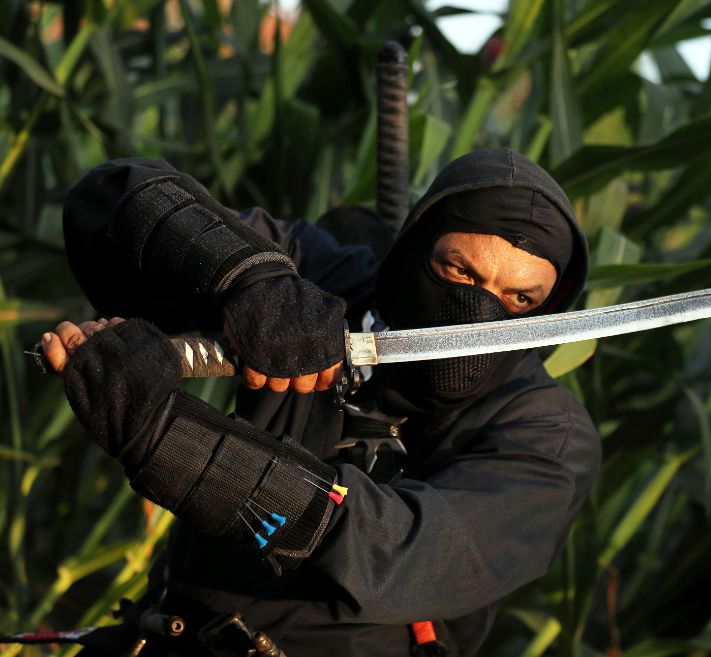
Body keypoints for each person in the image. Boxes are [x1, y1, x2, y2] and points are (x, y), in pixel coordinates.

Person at [42, 148, 600, 656]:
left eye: (520, 297)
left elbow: (393, 554)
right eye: (458, 270)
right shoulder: (325, 283)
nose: (478, 314)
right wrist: (249, 278)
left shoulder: (549, 437)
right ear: (415, 248)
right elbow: (111, 198)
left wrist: (166, 437)